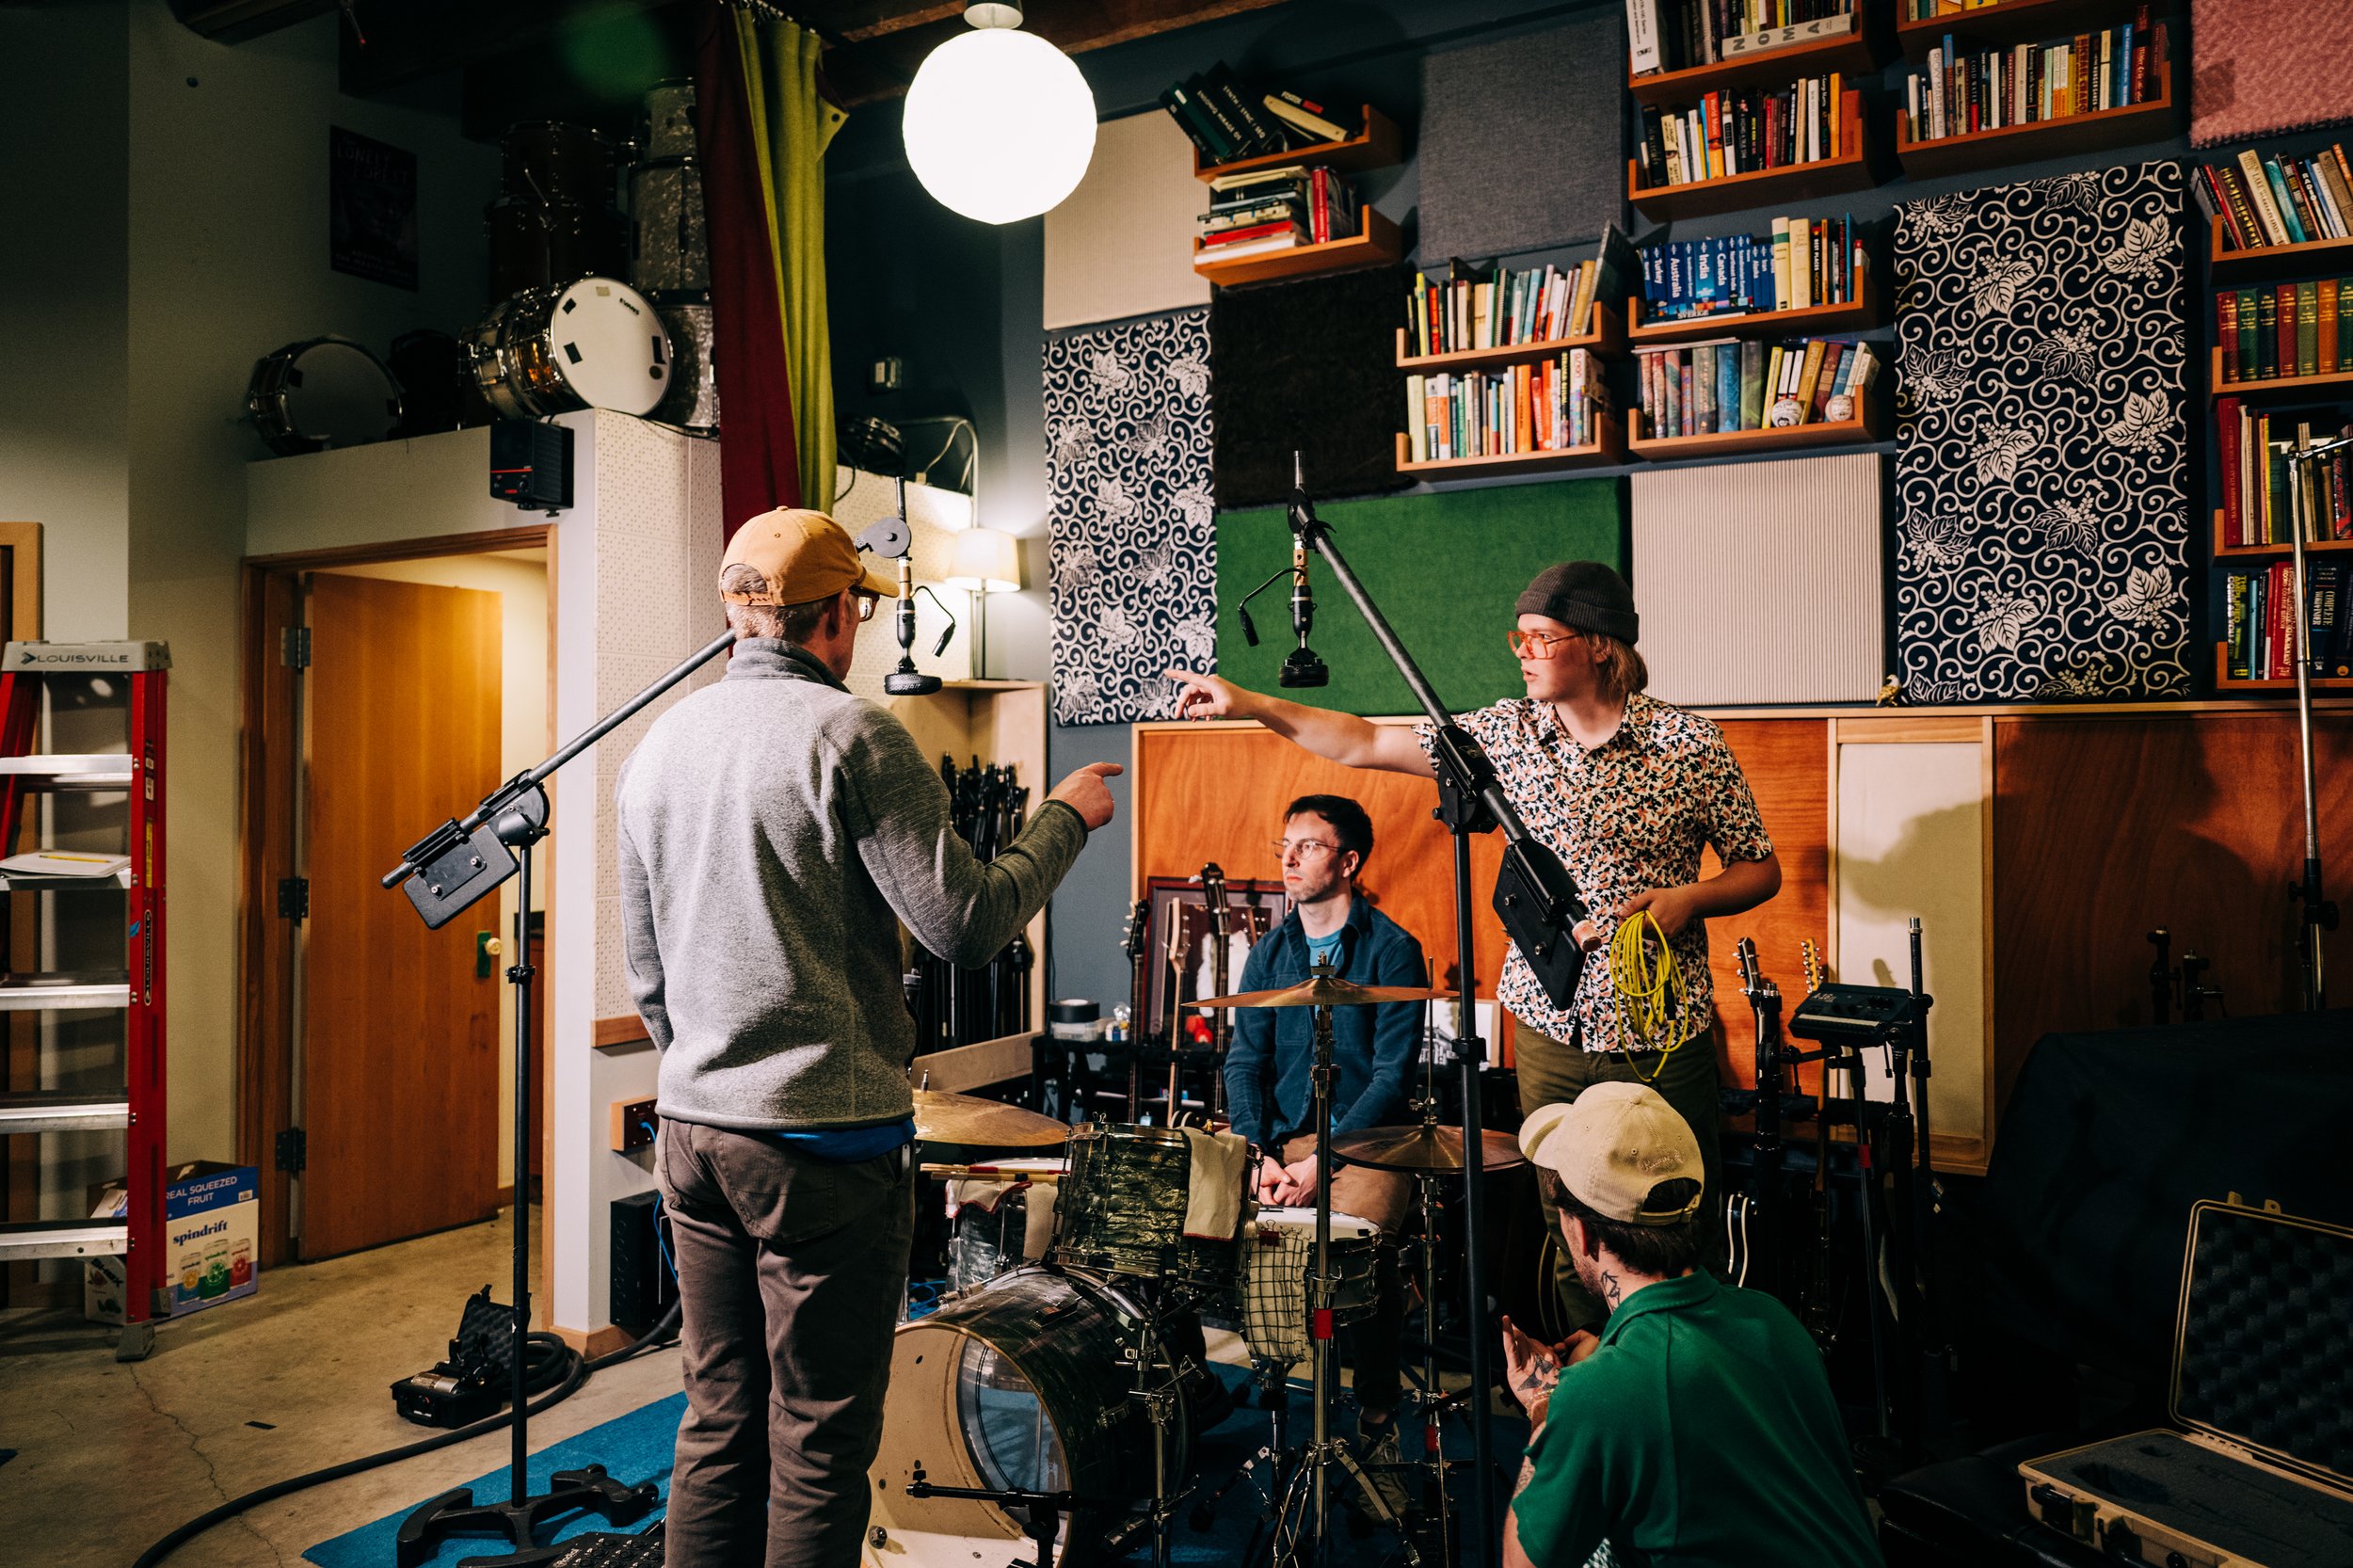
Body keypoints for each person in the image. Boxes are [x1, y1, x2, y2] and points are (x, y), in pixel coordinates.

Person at [617, 506, 1120, 1568]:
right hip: (822, 1144)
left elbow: (647, 963)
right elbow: (969, 926)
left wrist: (707, 1069)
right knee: (819, 1433)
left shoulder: (662, 742)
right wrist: (1065, 816)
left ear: (737, 611)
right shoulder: (852, 733)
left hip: (695, 1130)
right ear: (838, 615)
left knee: (718, 1416)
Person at [1167, 559, 1780, 1330]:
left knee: (1672, 1222)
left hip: (1660, 1029)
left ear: (1598, 645)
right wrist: (1247, 701)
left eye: (1539, 638)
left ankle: (1678, 1398)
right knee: (1569, 1224)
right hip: (1549, 1025)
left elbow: (1761, 869)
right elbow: (1358, 742)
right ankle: (1582, 1397)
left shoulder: (1688, 746)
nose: (1520, 652)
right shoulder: (1505, 737)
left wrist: (1691, 900)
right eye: (1516, 637)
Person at [1498, 1084, 1882, 1568]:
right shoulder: (1772, 1320)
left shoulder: (1595, 1395)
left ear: (1582, 1231)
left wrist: (1544, 1406)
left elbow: (1521, 1562)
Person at [1222, 793, 1426, 1491]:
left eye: (1307, 845)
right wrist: (1256, 1154)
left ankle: (1376, 1418)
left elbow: (1393, 1078)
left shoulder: (1393, 949)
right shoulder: (1270, 953)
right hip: (1277, 1139)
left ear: (1348, 862)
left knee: (1360, 1245)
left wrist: (1322, 1161)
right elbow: (1243, 1062)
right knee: (1179, 1205)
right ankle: (1199, 1388)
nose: (1288, 857)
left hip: (1365, 1140)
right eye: (1284, 843)